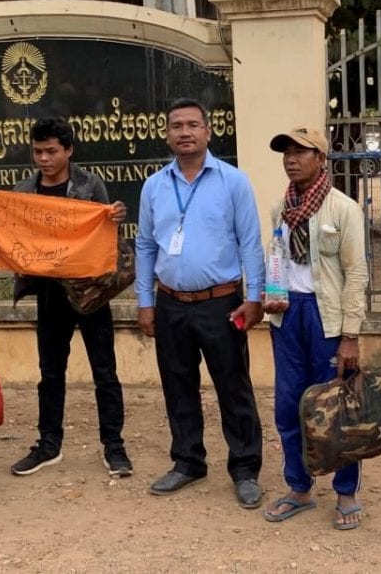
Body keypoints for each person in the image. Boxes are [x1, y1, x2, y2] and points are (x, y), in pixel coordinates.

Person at [0, 118, 131, 477]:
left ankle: (114, 446)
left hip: (90, 293)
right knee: (50, 373)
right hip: (48, 294)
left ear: (68, 150)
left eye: (51, 151)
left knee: (105, 372)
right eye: (38, 151)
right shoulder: (24, 188)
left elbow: (106, 234)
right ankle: (49, 444)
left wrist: (115, 216)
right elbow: (0, 223)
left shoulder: (90, 185)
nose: (43, 158)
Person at [135, 98, 266, 509]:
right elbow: (144, 245)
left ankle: (245, 469)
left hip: (220, 303)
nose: (185, 132)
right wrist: (145, 301)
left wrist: (255, 297)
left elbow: (250, 241)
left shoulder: (233, 182)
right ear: (168, 134)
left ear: (208, 131)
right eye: (177, 126)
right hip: (170, 302)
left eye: (193, 124)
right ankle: (188, 461)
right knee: (178, 387)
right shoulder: (154, 186)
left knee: (234, 387)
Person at [259, 126, 369, 530]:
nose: (291, 158)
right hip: (288, 315)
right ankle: (299, 488)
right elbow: (277, 259)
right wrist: (266, 299)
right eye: (286, 151)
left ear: (321, 159)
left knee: (335, 408)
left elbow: (356, 272)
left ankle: (345, 493)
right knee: (289, 407)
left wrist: (350, 335)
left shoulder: (343, 209)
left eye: (301, 152)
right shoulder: (280, 208)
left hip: (327, 317)